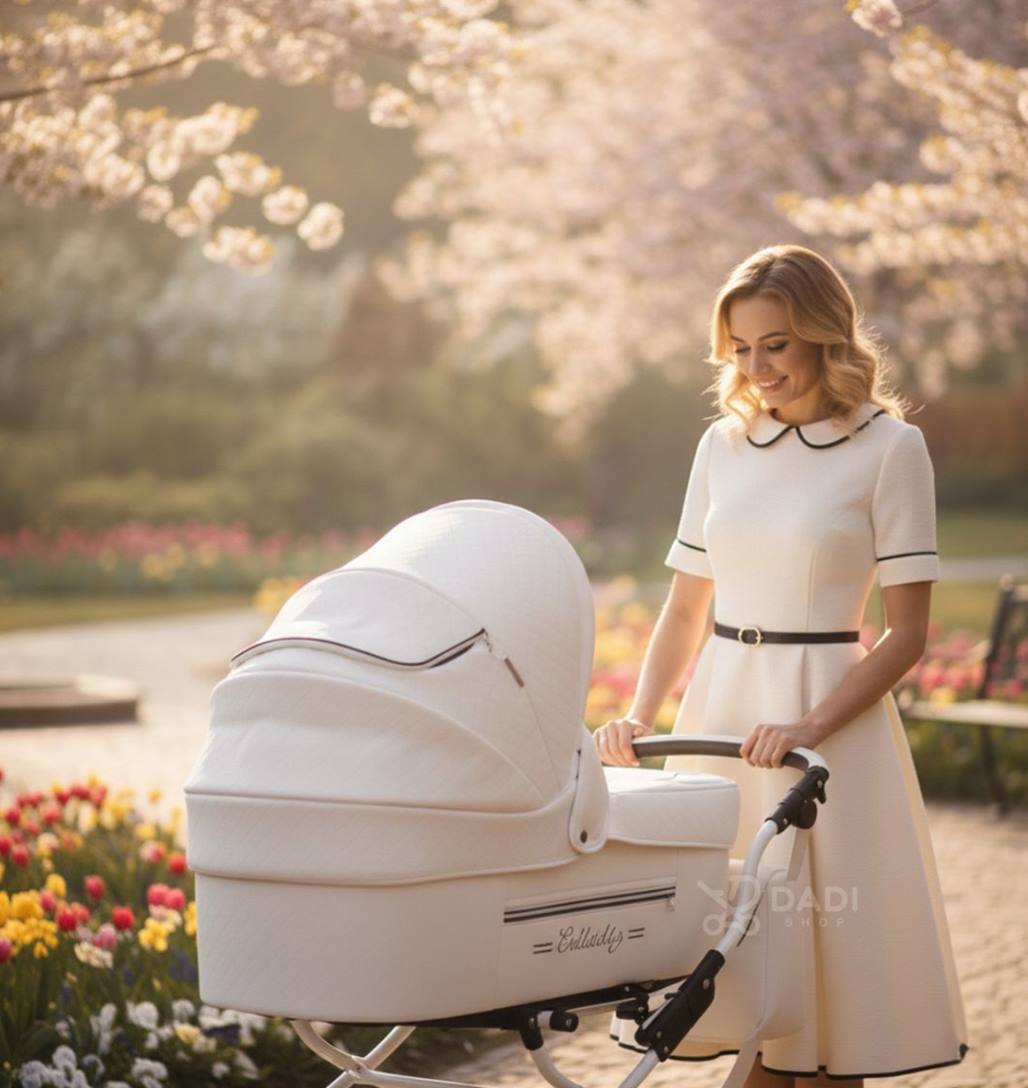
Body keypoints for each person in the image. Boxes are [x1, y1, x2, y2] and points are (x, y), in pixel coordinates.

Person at [593, 244, 969, 1087]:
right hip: (723, 715)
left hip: (830, 727)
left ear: (824, 336)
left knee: (832, 994)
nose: (757, 367)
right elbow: (685, 607)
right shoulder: (721, 446)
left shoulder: (891, 448)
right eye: (740, 348)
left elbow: (907, 635)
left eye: (776, 344)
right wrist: (643, 712)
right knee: (742, 966)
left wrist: (809, 726)